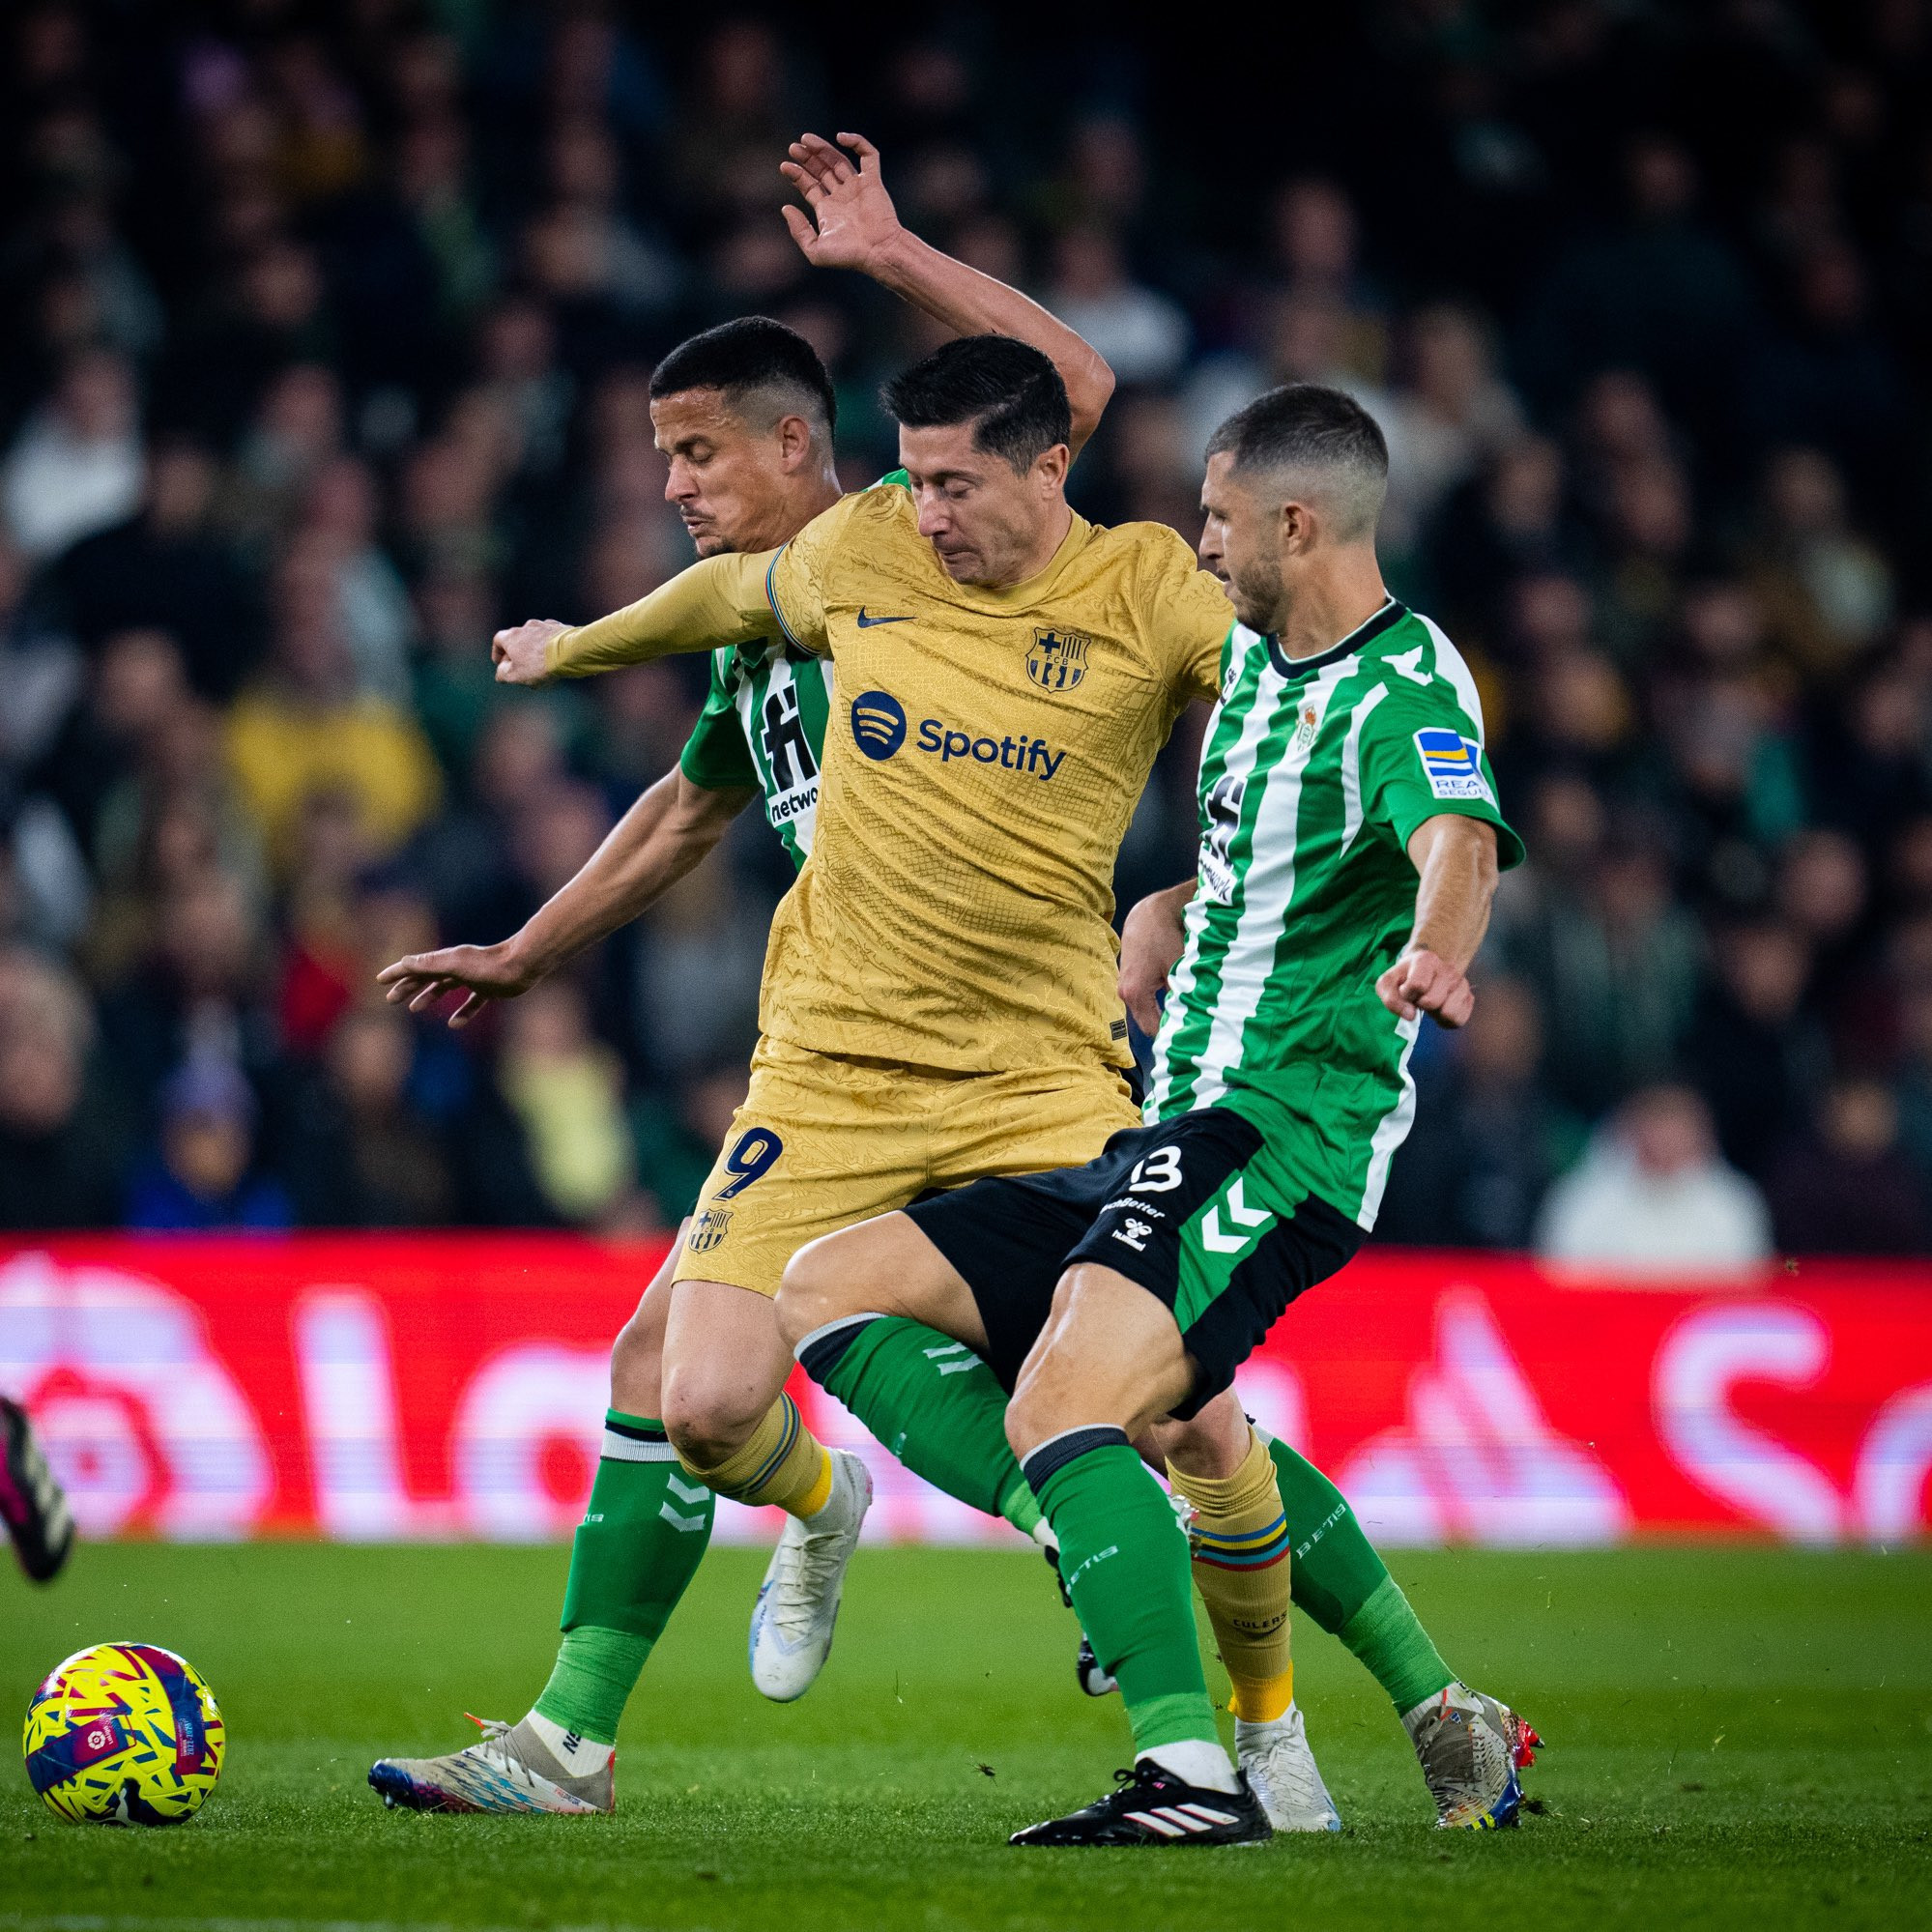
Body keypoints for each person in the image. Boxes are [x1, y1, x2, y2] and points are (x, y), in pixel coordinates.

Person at [371, 141, 1496, 1835]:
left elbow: (1299, 710)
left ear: (794, 446)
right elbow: (689, 793)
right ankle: (689, 1642)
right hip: (827, 1071)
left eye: (696, 454)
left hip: (1045, 1065)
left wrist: (889, 249)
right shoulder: (826, 591)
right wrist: (532, 931)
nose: (674, 484)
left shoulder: (1140, 582)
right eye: (662, 458)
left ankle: (1347, 1715)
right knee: (692, 1390)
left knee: (1187, 1421)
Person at [775, 383, 1539, 1844]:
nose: (1197, 544)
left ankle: (1192, 1775)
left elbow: (1454, 835)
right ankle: (1444, 1718)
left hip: (1279, 1133)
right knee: (839, 1291)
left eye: (1217, 520)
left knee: (1075, 1403)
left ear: (1296, 524)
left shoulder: (1405, 684)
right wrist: (1166, 900)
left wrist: (1441, 945)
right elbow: (1265, 860)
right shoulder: (1252, 660)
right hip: (1169, 1119)